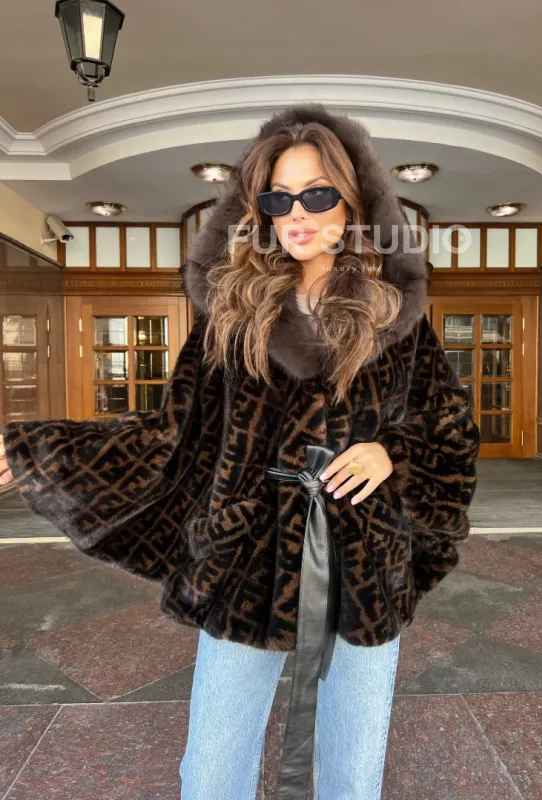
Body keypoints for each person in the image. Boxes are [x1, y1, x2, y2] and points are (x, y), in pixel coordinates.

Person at [1, 102, 480, 800]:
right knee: (212, 767)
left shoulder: (393, 316)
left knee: (353, 772)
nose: (297, 213)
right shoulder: (231, 316)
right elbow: (170, 431)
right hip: (246, 556)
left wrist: (391, 455)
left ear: (355, 203)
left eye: (317, 194)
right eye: (278, 197)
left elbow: (450, 426)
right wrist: (38, 450)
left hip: (365, 559)